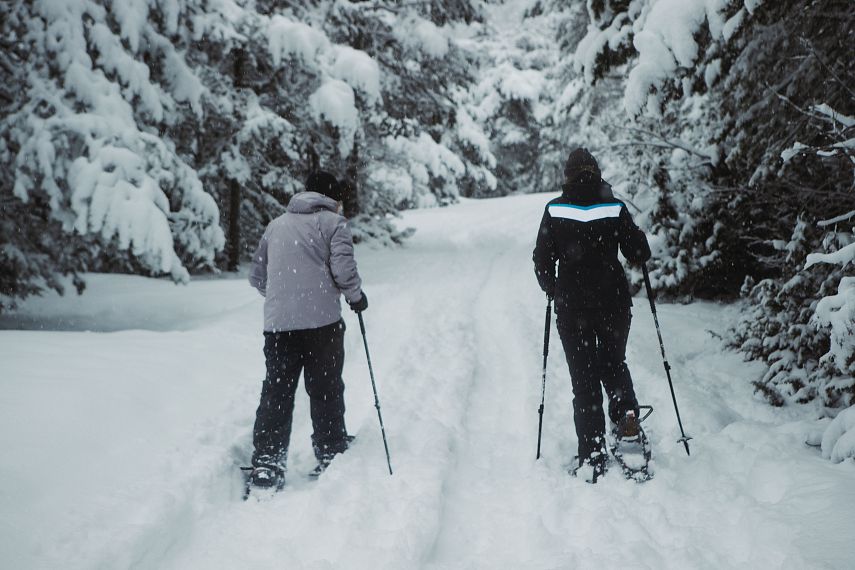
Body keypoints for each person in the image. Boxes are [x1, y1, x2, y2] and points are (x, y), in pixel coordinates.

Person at [532, 148, 651, 483]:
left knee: (583, 380)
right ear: (596, 173)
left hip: (573, 308)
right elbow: (638, 253)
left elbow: (541, 261)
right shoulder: (613, 206)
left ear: (568, 176)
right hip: (613, 302)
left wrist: (552, 287)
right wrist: (634, 235)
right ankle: (627, 419)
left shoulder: (555, 209)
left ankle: (592, 453)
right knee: (613, 364)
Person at [247, 170, 368, 490]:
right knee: (325, 386)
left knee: (277, 391)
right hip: (321, 324)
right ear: (331, 197)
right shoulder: (333, 223)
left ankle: (267, 462)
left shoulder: (276, 225)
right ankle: (330, 448)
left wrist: (284, 298)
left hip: (278, 326)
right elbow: (343, 271)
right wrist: (356, 298)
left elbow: (257, 277)